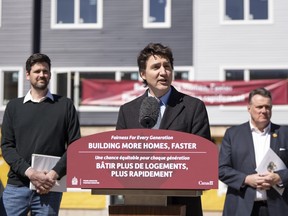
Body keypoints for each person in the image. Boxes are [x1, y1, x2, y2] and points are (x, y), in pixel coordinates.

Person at [116, 43, 211, 216]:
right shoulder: (127, 111)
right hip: (139, 203)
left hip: (183, 203)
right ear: (143, 74)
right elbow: (121, 156)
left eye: (167, 66)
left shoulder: (193, 107)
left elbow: (201, 157)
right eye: (156, 67)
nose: (163, 72)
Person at [0, 53, 81, 215]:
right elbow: (7, 147)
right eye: (37, 71)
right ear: (28, 75)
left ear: (50, 74)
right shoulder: (14, 107)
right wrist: (31, 173)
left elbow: (75, 146)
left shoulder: (65, 105)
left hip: (50, 187)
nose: (41, 75)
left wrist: (52, 175)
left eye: (45, 71)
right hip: (17, 187)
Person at [219, 87, 288, 216]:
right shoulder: (233, 134)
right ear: (249, 108)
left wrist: (279, 177)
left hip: (278, 208)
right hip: (241, 208)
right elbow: (221, 169)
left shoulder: (285, 134)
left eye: (268, 107)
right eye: (259, 107)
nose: (264, 111)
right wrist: (246, 179)